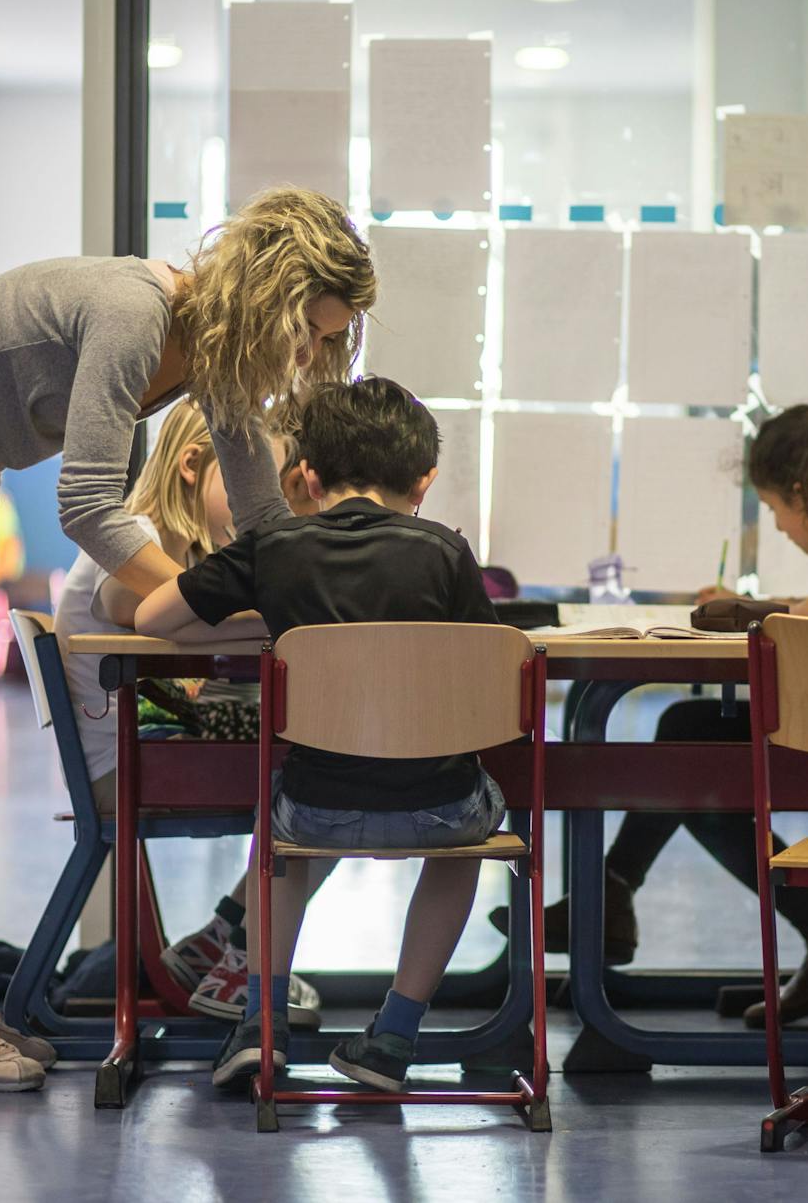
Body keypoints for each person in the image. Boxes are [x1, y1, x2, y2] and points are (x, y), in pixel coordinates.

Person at [0, 187, 376, 1091]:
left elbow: (265, 519)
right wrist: (210, 604)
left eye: (325, 339)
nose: (308, 353)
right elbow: (86, 505)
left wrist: (318, 596)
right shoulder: (135, 310)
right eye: (305, 328)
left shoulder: (217, 360)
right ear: (266, 291)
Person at [517, 397, 808, 1028]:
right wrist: (755, 604)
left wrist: (751, 612)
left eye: (777, 506)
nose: (780, 524)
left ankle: (616, 901)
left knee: (693, 766)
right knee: (686, 738)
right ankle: (623, 900)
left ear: (804, 492)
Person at [135, 376, 503, 1092]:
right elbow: (488, 681)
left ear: (305, 475)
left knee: (277, 841)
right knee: (467, 844)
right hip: (439, 807)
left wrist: (274, 621)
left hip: (315, 806)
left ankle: (259, 1026)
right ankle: (394, 1036)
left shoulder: (274, 548)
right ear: (424, 481)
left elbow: (153, 619)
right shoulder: (447, 554)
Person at [52, 398, 327, 1025]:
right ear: (191, 465)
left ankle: (223, 936)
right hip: (124, 773)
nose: (268, 505)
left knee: (325, 775)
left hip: (131, 755)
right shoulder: (137, 538)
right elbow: (125, 603)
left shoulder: (166, 546)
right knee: (334, 785)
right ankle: (244, 968)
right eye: (251, 481)